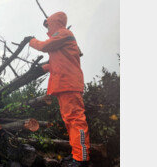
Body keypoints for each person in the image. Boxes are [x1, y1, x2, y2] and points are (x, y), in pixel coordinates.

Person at [29, 11, 90, 166]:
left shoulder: (64, 34)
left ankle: (81, 158)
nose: (47, 27)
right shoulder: (61, 39)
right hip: (64, 85)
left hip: (69, 85)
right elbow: (57, 62)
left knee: (75, 120)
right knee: (69, 121)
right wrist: (41, 69)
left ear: (55, 22)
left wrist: (31, 40)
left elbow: (43, 46)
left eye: (48, 24)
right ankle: (76, 154)